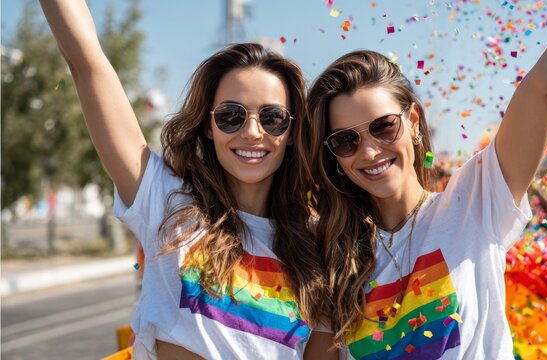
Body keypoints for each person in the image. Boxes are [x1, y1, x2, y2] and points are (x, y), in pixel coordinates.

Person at [306, 1, 547, 358]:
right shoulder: (331, 253)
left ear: (414, 121)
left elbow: (543, 87)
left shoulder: (475, 201)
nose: (370, 151)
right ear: (333, 154)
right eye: (346, 140)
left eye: (383, 126)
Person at [39, 1, 334, 359]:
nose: (253, 132)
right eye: (230, 116)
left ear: (290, 132)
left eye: (272, 118)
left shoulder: (315, 251)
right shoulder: (169, 204)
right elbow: (86, 63)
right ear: (209, 127)